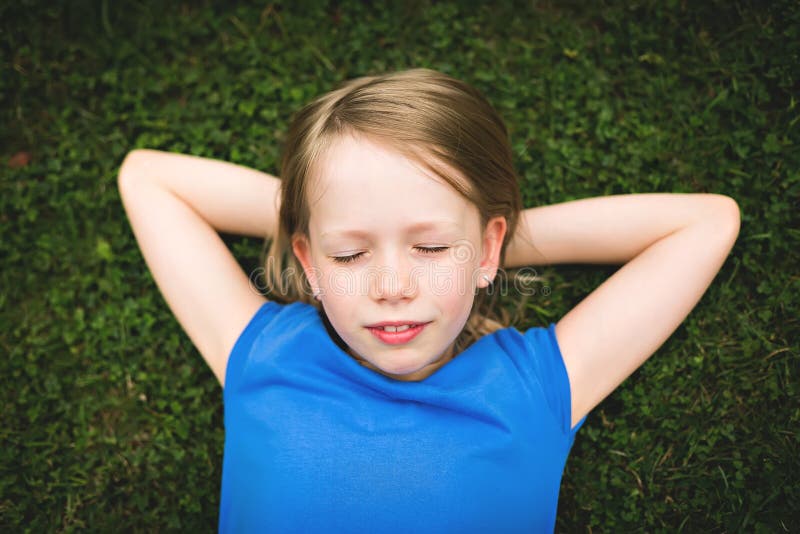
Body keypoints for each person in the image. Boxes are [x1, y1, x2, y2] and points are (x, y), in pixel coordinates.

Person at [117, 68, 740, 532]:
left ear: (489, 247)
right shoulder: (264, 357)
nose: (392, 287)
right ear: (307, 261)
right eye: (349, 254)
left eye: (432, 249)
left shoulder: (536, 386)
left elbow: (706, 224)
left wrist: (477, 246)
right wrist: (333, 205)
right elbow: (148, 178)